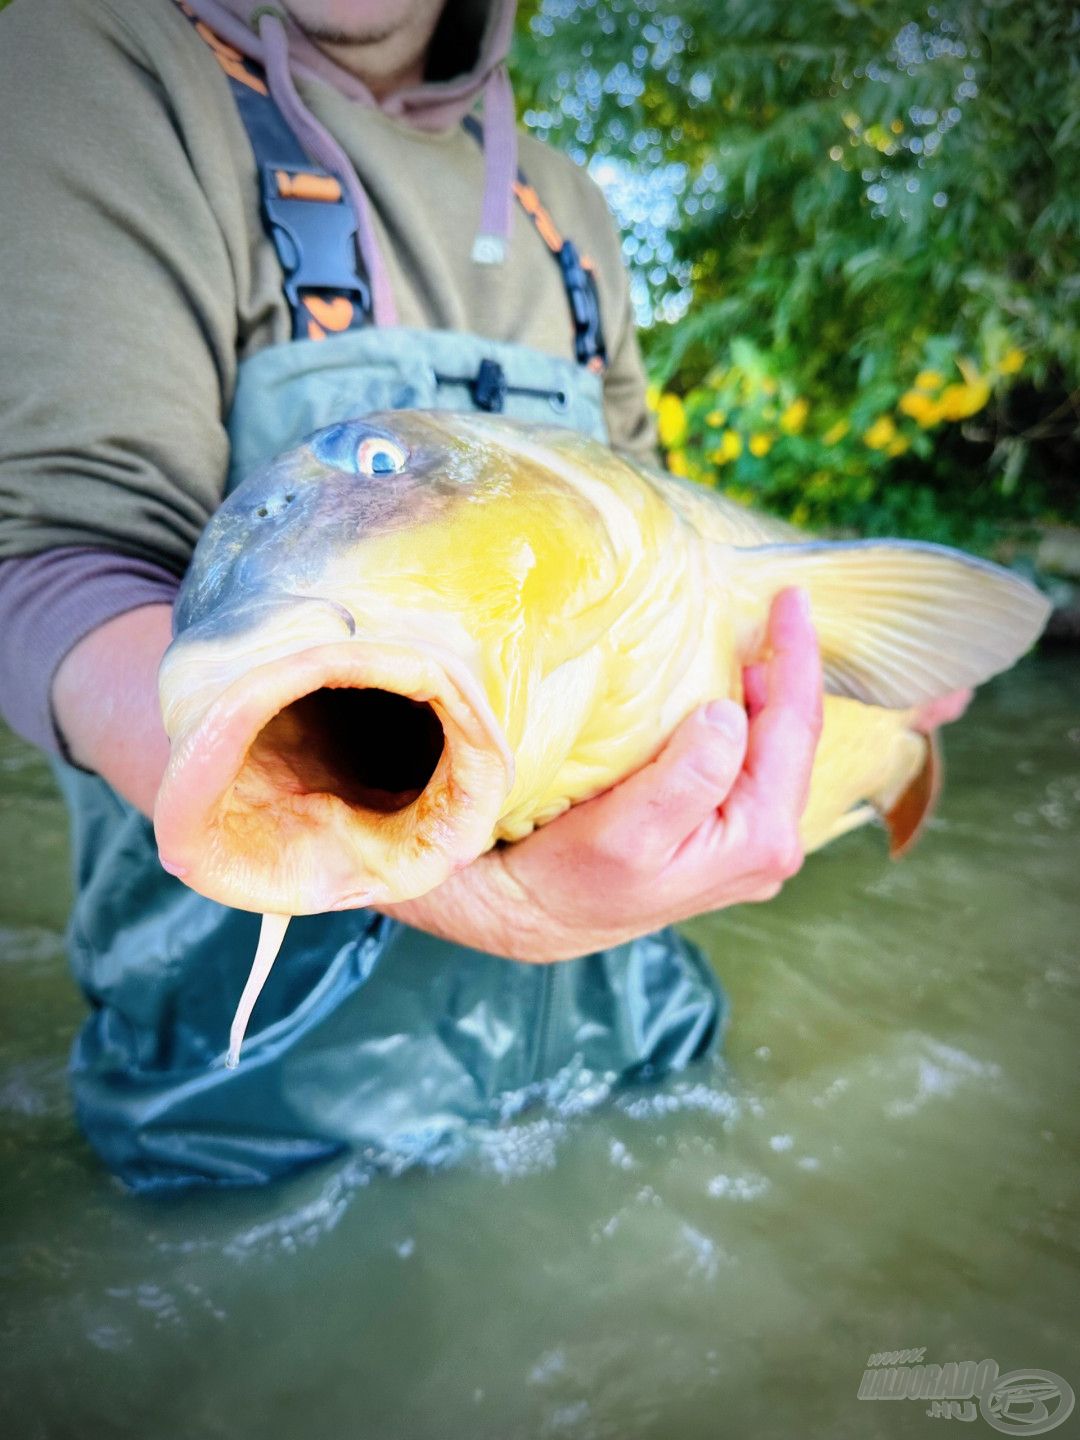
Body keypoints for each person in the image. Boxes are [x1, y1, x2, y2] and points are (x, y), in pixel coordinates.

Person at [0, 0, 960, 1190]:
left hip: (638, 1047)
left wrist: (890, 681)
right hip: (263, 1119)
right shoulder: (71, 56)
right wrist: (444, 883)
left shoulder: (571, 209)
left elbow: (654, 522)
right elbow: (57, 556)